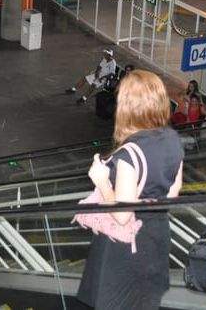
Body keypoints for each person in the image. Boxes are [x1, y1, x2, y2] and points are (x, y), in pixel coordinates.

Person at [76, 70, 184, 309]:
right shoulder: (172, 139)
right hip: (156, 236)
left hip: (125, 247)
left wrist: (102, 181)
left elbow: (123, 215)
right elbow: (172, 193)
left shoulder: (129, 155)